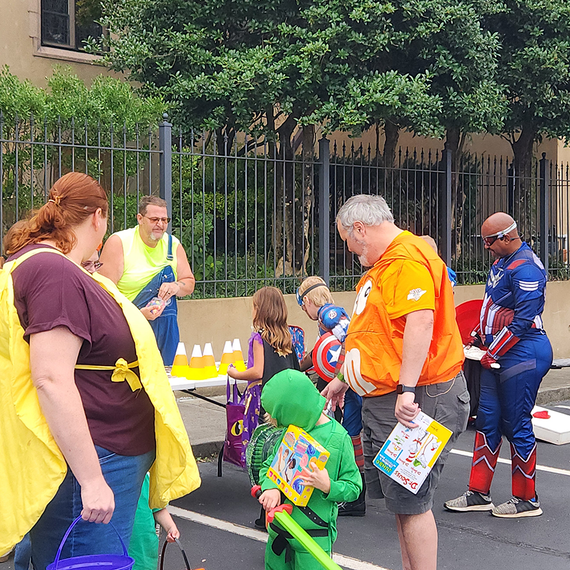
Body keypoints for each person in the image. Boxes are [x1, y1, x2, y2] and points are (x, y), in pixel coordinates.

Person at [0, 173, 200, 569]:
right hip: (95, 459)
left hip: (103, 453)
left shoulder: (53, 268)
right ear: (98, 218)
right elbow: (51, 378)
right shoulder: (53, 272)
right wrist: (92, 480)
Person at [322, 194, 469, 570]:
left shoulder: (403, 261)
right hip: (398, 395)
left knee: (411, 498)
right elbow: (376, 334)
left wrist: (405, 390)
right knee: (403, 501)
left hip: (415, 396)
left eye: (349, 241)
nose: (351, 251)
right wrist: (343, 380)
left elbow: (420, 322)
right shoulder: (391, 262)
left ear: (360, 229)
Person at [444, 212, 553, 518]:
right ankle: (479, 493)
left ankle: (526, 499)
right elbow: (492, 304)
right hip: (499, 352)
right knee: (487, 421)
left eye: (489, 241)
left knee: (516, 424)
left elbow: (522, 321)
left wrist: (494, 349)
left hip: (523, 353)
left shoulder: (527, 267)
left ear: (507, 237)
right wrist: (480, 335)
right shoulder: (502, 263)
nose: (486, 247)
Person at [258, 369, 362, 570]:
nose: (279, 425)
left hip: (313, 536)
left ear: (293, 410)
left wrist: (328, 486)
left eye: (280, 418)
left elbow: (354, 487)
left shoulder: (338, 439)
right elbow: (268, 466)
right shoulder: (290, 431)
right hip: (280, 530)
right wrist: (270, 486)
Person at [296, 276, 366, 516]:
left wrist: (340, 376)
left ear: (307, 300)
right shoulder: (327, 317)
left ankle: (356, 495)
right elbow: (319, 354)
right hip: (344, 380)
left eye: (302, 305)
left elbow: (350, 341)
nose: (304, 310)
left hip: (346, 383)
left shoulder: (330, 314)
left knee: (349, 434)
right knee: (344, 431)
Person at [98, 195, 195, 366]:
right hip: (127, 315)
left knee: (168, 280)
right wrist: (136, 315)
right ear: (140, 219)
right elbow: (104, 293)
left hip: (160, 313)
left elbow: (188, 282)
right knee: (165, 274)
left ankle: (166, 366)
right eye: (154, 219)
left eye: (165, 220)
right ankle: (167, 365)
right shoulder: (121, 242)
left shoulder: (173, 244)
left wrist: (175, 286)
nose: (161, 224)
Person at [129, 473, 180, 570]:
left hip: (144, 550)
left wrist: (171, 528)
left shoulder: (146, 478)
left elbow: (159, 509)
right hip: (119, 548)